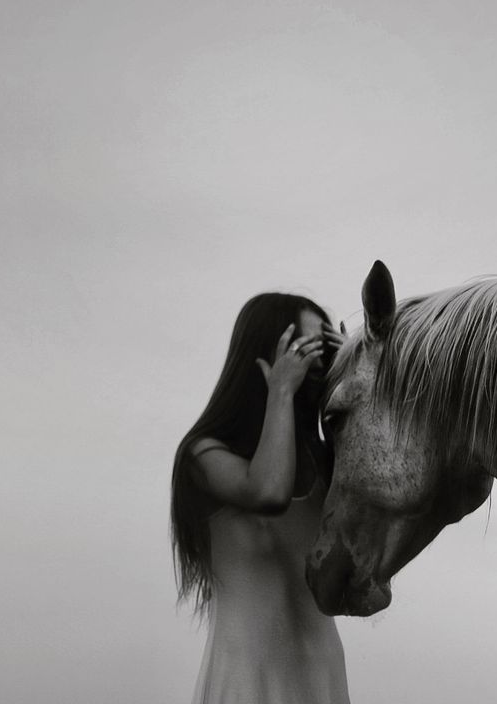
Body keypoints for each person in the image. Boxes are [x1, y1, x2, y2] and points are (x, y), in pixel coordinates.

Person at [171, 293, 351, 704]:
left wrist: (354, 374)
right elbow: (268, 492)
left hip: (320, 670)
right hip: (246, 675)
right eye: (305, 349)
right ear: (268, 357)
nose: (319, 362)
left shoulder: (324, 460)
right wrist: (282, 392)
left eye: (324, 349)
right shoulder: (203, 453)